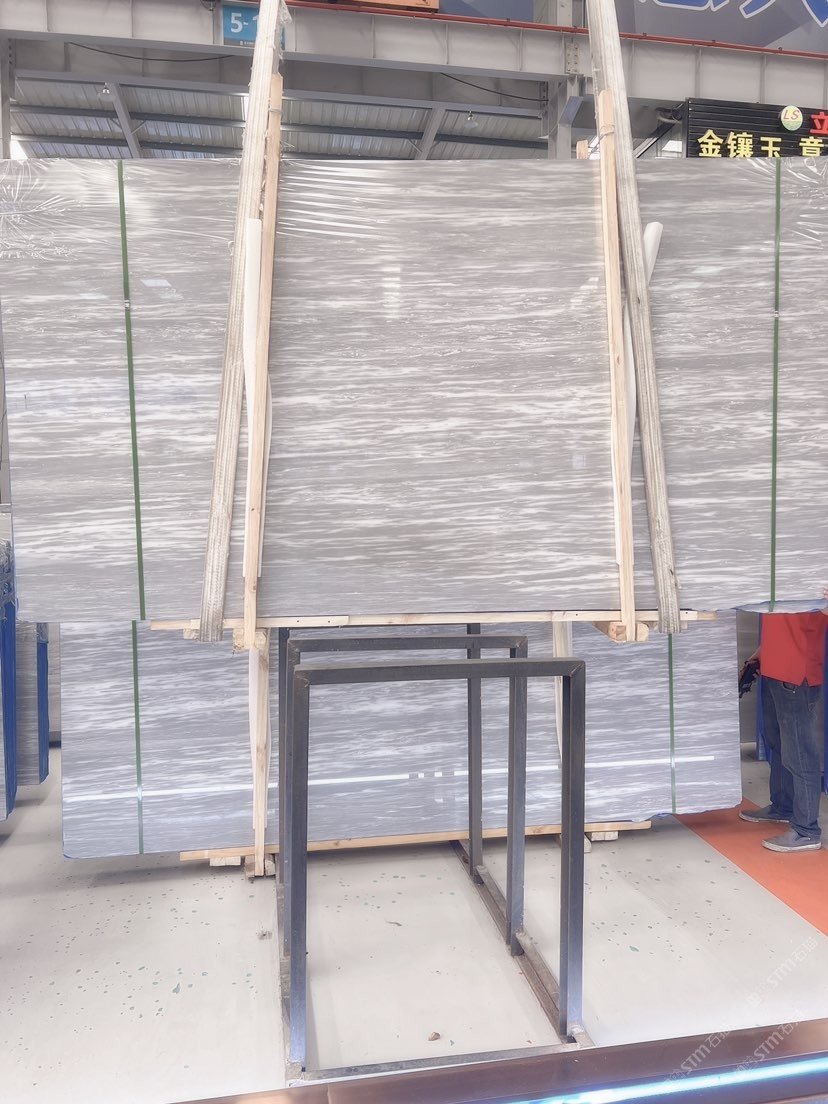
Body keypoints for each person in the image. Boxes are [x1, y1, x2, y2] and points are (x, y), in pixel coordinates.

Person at [739, 591, 828, 853]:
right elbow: (779, 626)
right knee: (777, 743)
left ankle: (806, 830)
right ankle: (782, 806)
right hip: (773, 672)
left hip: (796, 678)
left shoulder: (816, 581)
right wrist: (757, 657)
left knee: (800, 754)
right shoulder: (781, 582)